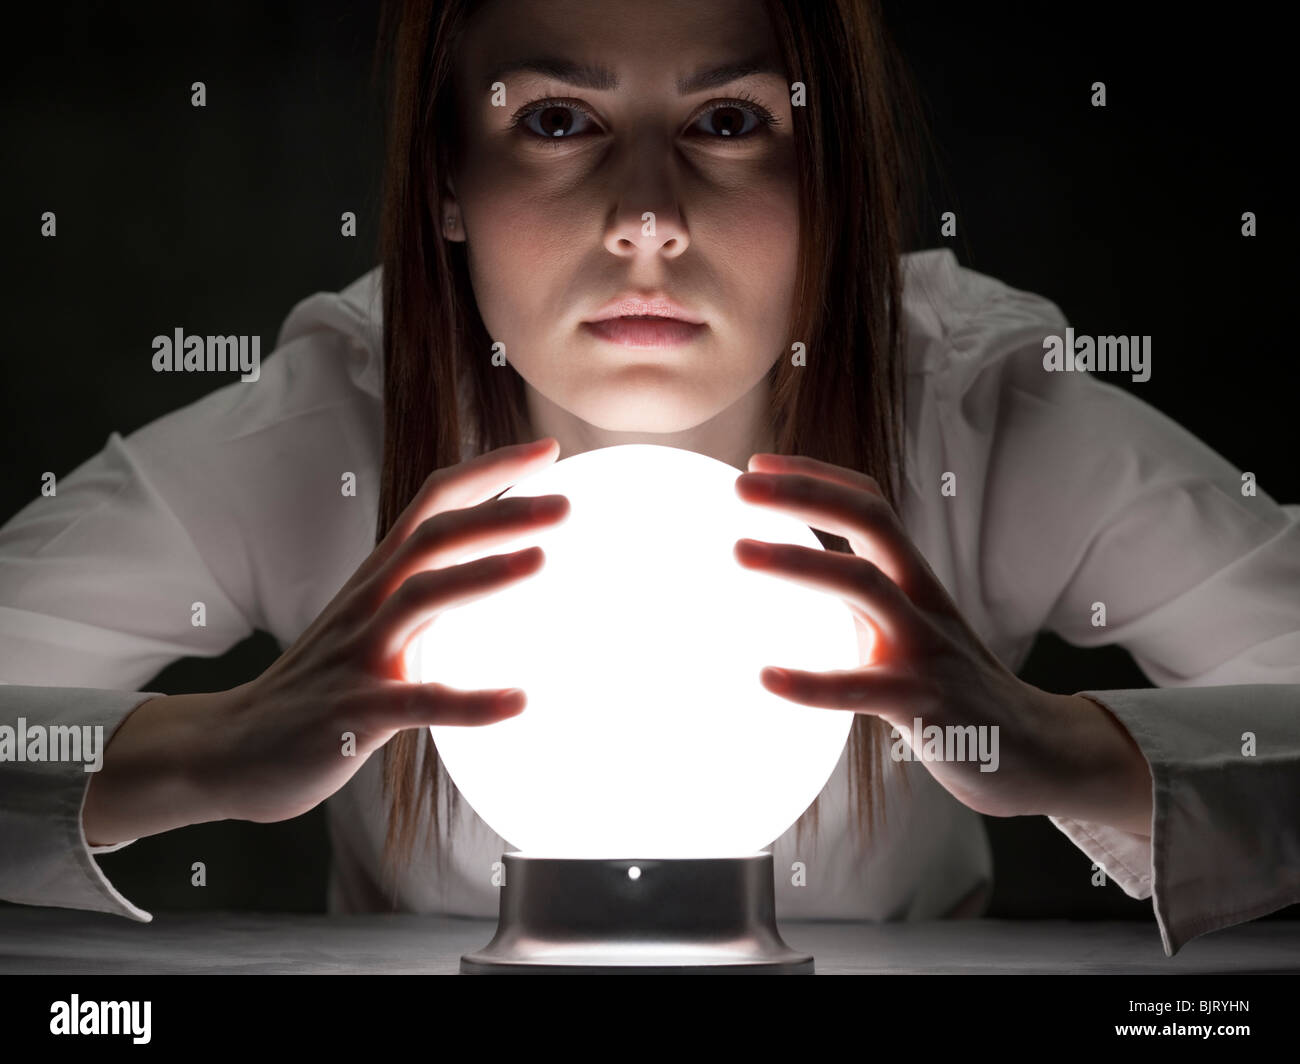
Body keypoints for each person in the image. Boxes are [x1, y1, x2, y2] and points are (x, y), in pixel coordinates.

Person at [1, 0, 1297, 959]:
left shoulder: (978, 415)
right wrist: (207, 751)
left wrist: (1062, 746)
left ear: (825, 176)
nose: (646, 220)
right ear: (447, 180)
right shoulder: (337, 423)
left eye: (726, 122)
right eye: (558, 121)